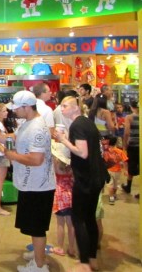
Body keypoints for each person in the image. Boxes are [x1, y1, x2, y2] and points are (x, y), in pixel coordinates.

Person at [0, 90, 55, 272]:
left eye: (17, 108)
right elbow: (14, 137)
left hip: (38, 186)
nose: (13, 111)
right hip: (30, 183)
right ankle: (38, 256)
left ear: (27, 107)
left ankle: (39, 266)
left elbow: (36, 159)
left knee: (37, 227)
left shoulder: (37, 128)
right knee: (33, 225)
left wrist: (12, 155)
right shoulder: (27, 123)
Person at [57, 96, 110, 272]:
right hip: (96, 177)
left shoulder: (77, 125)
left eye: (65, 106)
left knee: (78, 219)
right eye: (61, 106)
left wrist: (63, 140)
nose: (62, 109)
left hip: (86, 179)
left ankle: (85, 262)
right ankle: (92, 258)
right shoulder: (87, 123)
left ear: (75, 108)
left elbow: (82, 152)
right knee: (89, 218)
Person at [50, 140, 76, 257]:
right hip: (71, 195)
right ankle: (72, 248)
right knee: (71, 224)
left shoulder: (56, 165)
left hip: (59, 196)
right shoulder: (72, 166)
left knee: (60, 223)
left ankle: (60, 247)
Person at [101, 136, 127, 204]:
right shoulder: (120, 151)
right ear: (115, 142)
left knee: (110, 185)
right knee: (115, 185)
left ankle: (111, 198)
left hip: (109, 170)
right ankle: (114, 195)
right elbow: (125, 161)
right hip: (118, 171)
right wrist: (126, 170)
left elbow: (103, 161)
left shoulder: (106, 151)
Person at [122, 100, 139, 197]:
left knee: (131, 165)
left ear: (131, 107)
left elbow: (127, 132)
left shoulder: (129, 117)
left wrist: (124, 145)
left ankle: (128, 187)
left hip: (133, 145)